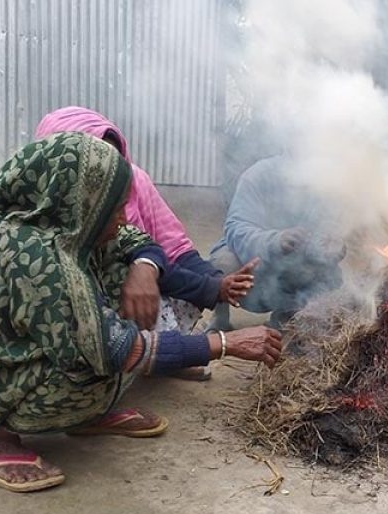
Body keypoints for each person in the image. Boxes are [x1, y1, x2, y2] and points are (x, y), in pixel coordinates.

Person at [0, 133, 282, 493]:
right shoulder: (33, 256)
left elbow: (136, 240)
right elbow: (118, 350)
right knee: (95, 367)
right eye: (115, 206)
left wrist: (144, 268)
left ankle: (86, 417)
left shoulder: (56, 222)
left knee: (119, 270)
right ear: (81, 198)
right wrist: (223, 344)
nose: (122, 216)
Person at [35, 107, 257, 380]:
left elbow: (170, 248)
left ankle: (166, 355)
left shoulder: (133, 181)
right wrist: (223, 344)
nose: (110, 174)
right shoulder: (36, 231)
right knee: (116, 292)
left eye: (114, 161)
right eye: (97, 162)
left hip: (124, 310)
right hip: (84, 333)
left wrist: (216, 284)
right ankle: (146, 360)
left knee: (175, 280)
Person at [208, 156, 345, 331]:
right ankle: (219, 319)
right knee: (222, 263)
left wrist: (334, 248)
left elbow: (330, 230)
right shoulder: (258, 176)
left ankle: (287, 317)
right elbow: (236, 228)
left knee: (331, 278)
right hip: (254, 270)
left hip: (296, 269)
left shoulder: (322, 183)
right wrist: (274, 240)